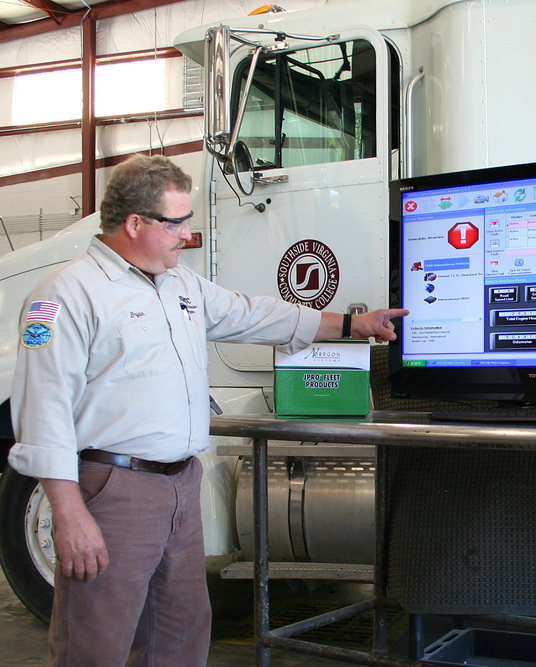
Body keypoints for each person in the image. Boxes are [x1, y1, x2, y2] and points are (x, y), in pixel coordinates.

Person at [7, 154, 407, 666]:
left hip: (180, 485)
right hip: (114, 491)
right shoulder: (66, 295)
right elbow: (43, 412)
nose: (188, 234)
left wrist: (353, 326)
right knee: (96, 642)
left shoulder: (181, 287)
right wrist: (67, 513)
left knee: (180, 633)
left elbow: (255, 314)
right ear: (135, 223)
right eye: (176, 222)